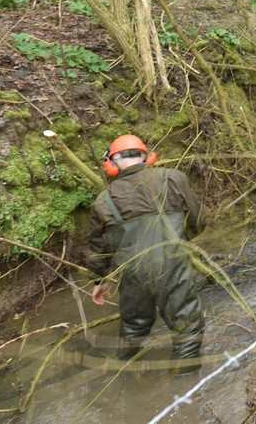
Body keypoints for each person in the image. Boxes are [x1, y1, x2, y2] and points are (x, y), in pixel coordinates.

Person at [88, 134, 206, 370]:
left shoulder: (103, 201)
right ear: (147, 156)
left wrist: (100, 280)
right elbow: (199, 220)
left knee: (134, 325)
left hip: (133, 273)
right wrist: (180, 241)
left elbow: (99, 249)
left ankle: (122, 372)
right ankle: (184, 383)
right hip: (172, 264)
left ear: (111, 164)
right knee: (186, 327)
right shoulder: (173, 178)